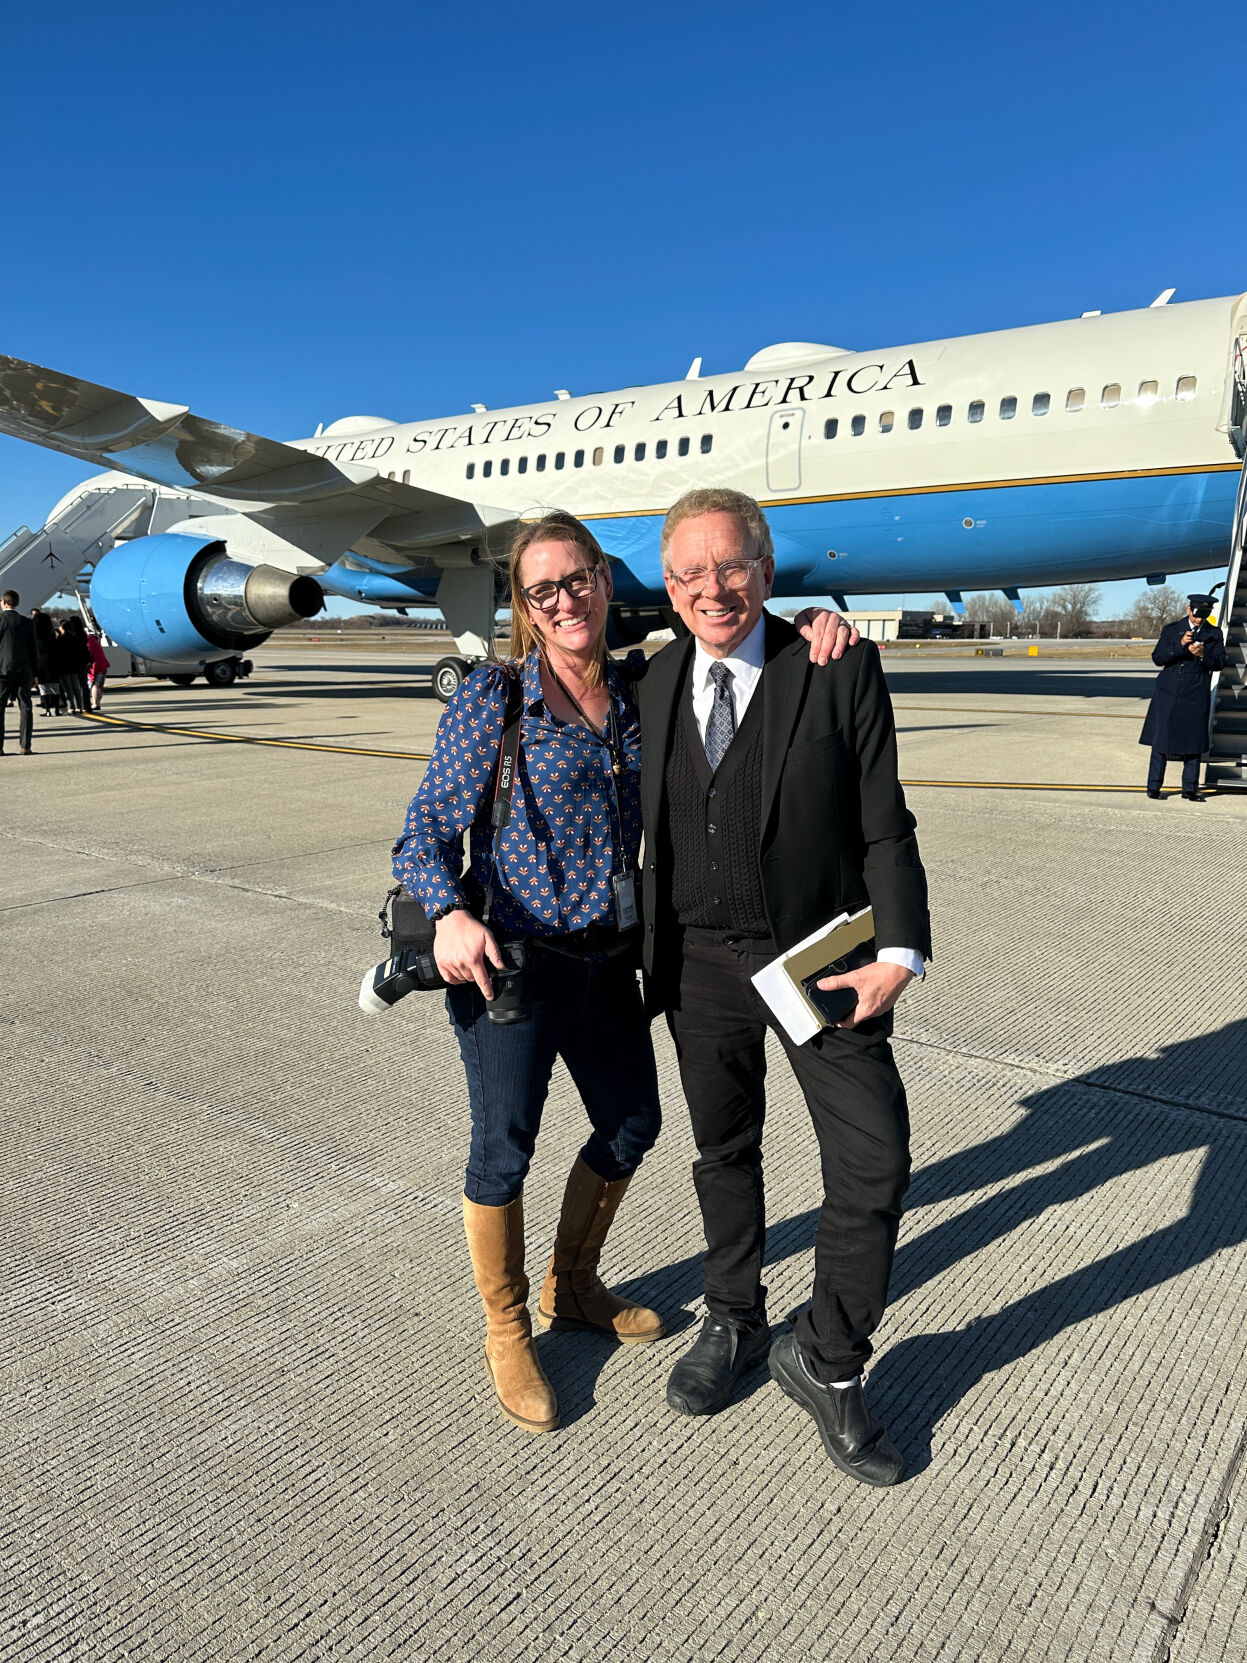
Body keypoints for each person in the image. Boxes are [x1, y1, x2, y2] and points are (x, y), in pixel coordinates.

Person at [392, 512, 853, 1436]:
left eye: (579, 580)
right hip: (511, 965)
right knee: (503, 1149)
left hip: (607, 959)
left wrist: (805, 626)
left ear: (605, 582)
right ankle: (506, 1325)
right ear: (525, 606)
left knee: (633, 1121)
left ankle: (572, 1283)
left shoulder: (642, 688)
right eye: (543, 590)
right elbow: (424, 832)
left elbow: (731, 651)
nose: (565, 601)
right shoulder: (496, 697)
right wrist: (448, 914)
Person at [635, 487, 931, 1488]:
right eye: (689, 572)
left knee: (873, 1160)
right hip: (694, 959)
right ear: (668, 585)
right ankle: (733, 1315)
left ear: (764, 571)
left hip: (814, 957)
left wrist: (899, 950)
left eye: (730, 567)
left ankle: (828, 1355)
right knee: (723, 1148)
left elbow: (884, 822)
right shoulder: (652, 679)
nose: (711, 588)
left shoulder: (833, 664)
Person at [1140, 593, 1226, 803]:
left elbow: (1220, 663)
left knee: (1193, 742)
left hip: (1196, 693)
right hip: (1169, 692)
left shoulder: (1214, 634)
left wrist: (1203, 654)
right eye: (1197, 615)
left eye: (1204, 615)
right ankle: (1153, 786)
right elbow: (1158, 658)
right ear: (1189, 610)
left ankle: (1190, 789)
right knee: (1161, 740)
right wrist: (1179, 645)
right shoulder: (1171, 629)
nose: (1199, 619)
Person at [0, 589, 37, 756]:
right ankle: (25, 746)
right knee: (26, 707)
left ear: (3, 602)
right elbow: (33, 650)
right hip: (23, 670)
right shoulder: (27, 623)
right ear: (17, 603)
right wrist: (35, 673)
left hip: (2, 670)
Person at [30, 608, 60, 716]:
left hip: (40, 664)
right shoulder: (52, 635)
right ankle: (57, 709)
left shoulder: (35, 636)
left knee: (43, 688)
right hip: (53, 662)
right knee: (55, 687)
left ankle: (47, 710)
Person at [85, 631, 111, 711]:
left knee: (94, 684)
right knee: (98, 685)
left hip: (96, 666)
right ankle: (97, 703)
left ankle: (95, 704)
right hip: (101, 665)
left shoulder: (88, 640)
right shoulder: (92, 640)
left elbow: (89, 654)